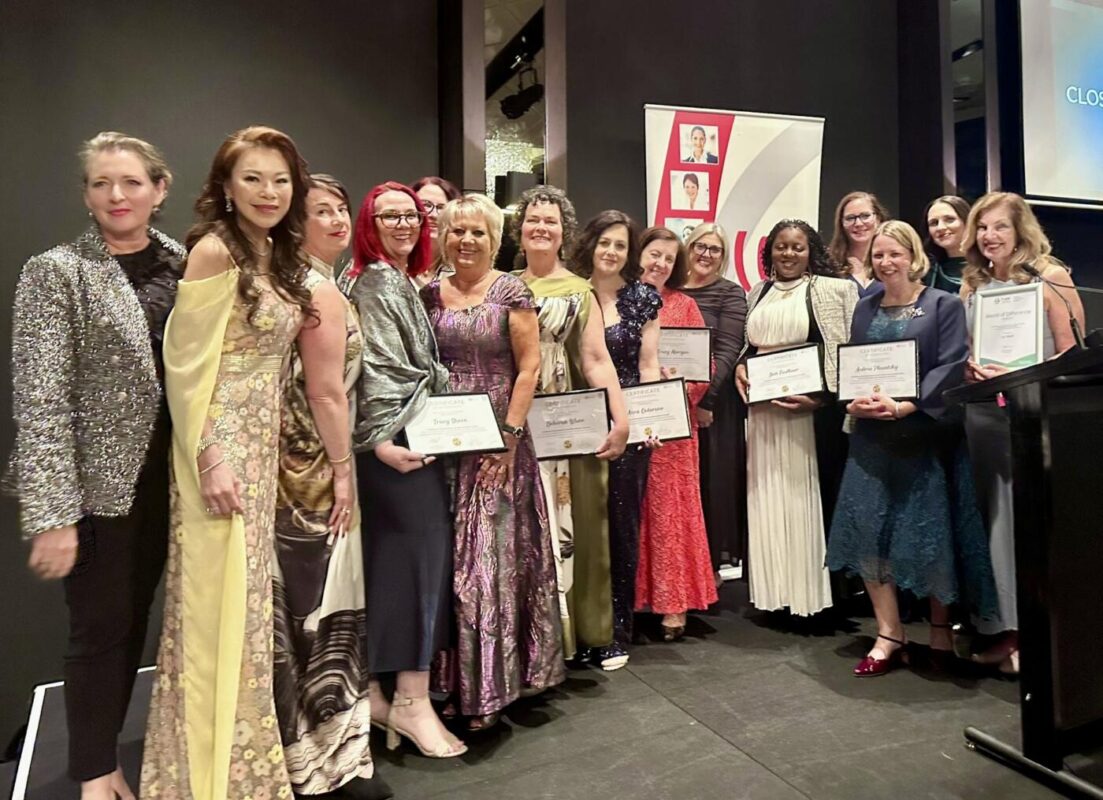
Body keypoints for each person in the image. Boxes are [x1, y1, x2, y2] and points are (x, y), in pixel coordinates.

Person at [140, 126, 338, 800]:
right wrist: (210, 457)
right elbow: (184, 367)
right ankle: (201, 779)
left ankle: (241, 770)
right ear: (226, 186)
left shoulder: (275, 255)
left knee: (246, 611)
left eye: (280, 180)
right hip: (217, 454)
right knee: (211, 610)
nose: (268, 192)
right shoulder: (215, 250)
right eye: (252, 178)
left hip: (259, 453)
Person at [7, 132, 182, 800]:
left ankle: (116, 753)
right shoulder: (55, 272)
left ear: (158, 189)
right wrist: (53, 515)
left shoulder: (188, 264)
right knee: (102, 629)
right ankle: (93, 772)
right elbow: (40, 399)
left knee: (149, 622)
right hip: (99, 491)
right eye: (101, 183)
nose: (116, 195)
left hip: (179, 481)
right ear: (86, 195)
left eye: (131, 182)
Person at [827, 220, 997, 676]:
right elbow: (854, 362)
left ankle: (940, 633)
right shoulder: (865, 306)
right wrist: (853, 400)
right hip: (871, 439)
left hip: (923, 435)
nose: (886, 262)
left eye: (894, 253)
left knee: (928, 535)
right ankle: (889, 633)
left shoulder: (942, 304)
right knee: (868, 530)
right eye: (879, 255)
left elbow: (952, 364)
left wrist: (907, 405)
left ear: (912, 256)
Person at [423, 193, 564, 729]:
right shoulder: (428, 293)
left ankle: (491, 688)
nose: (466, 240)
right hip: (444, 441)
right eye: (457, 231)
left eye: (477, 232)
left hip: (497, 441)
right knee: (450, 564)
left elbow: (529, 367)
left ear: (494, 238)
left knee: (489, 562)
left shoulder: (511, 291)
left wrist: (508, 437)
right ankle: (450, 681)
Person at [337, 182, 464, 757]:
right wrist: (382, 440)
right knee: (418, 562)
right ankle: (411, 700)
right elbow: (380, 370)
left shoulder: (391, 278)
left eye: (411, 215)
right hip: (396, 443)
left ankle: (378, 695)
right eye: (390, 216)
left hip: (397, 439)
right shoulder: (377, 281)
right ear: (370, 222)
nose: (405, 224)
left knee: (391, 567)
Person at [274, 173, 384, 797]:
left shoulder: (302, 282)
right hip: (314, 468)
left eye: (343, 208)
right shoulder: (313, 288)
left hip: (297, 463)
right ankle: (324, 760)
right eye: (322, 211)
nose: (338, 220)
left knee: (309, 612)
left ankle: (316, 752)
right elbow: (325, 394)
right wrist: (343, 472)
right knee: (323, 610)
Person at [959, 192, 1085, 676]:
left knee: (1036, 523)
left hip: (1035, 417)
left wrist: (1023, 373)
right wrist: (970, 368)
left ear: (1020, 231)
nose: (989, 236)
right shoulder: (973, 285)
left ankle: (1044, 635)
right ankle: (1007, 629)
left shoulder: (1050, 277)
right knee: (996, 526)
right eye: (982, 227)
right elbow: (965, 351)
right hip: (985, 420)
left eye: (1000, 227)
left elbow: (1072, 353)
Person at [512, 185, 630, 662]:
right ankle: (524, 638)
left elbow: (596, 359)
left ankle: (572, 635)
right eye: (533, 219)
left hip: (562, 425)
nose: (541, 228)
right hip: (514, 422)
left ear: (565, 232)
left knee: (570, 525)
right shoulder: (502, 285)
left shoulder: (580, 290)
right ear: (519, 229)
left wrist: (621, 418)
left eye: (551, 221)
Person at [735, 220, 857, 617]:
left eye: (797, 247)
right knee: (768, 496)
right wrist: (741, 366)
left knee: (807, 497)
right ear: (769, 250)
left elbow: (847, 351)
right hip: (764, 414)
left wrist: (822, 399)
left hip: (809, 415)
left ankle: (815, 598)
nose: (788, 253)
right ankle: (776, 595)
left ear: (811, 252)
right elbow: (750, 346)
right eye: (781, 246)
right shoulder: (758, 291)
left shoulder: (836, 290)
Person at [570, 210, 661, 670]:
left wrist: (648, 422)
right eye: (604, 241)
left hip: (628, 423)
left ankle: (615, 630)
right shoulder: (569, 291)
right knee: (579, 527)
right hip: (575, 424)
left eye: (620, 245)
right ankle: (577, 630)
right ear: (590, 243)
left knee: (622, 527)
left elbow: (648, 364)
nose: (611, 251)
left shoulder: (643, 298)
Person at [635, 227, 718, 639]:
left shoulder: (684, 305)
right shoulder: (616, 300)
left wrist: (681, 383)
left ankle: (673, 602)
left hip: (673, 429)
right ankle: (632, 599)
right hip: (627, 419)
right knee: (630, 510)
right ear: (639, 254)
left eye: (669, 259)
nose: (661, 264)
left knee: (671, 512)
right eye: (655, 254)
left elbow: (705, 367)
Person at [680, 223, 747, 579]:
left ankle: (710, 570)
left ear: (723, 257)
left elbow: (728, 351)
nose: (706, 254)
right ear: (688, 248)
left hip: (713, 408)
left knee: (711, 484)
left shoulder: (730, 294)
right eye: (700, 246)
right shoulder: (669, 289)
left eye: (715, 249)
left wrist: (705, 401)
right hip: (672, 406)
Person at [828, 191, 890, 298]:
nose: (858, 223)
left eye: (865, 216)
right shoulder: (830, 264)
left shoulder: (893, 260)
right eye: (850, 218)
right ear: (841, 223)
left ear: (878, 218)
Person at [411, 175, 462, 286]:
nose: (433, 215)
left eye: (441, 207)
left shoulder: (462, 267)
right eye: (425, 205)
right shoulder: (396, 265)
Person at [923, 195, 972, 293]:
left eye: (949, 219)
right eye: (934, 223)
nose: (940, 227)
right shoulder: (926, 272)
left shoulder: (990, 265)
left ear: (967, 221)